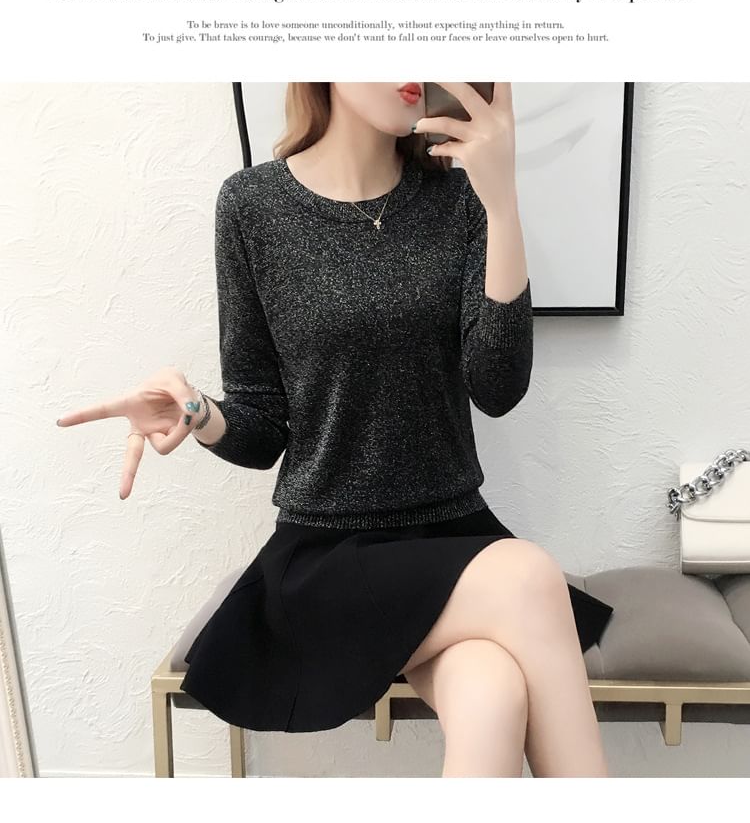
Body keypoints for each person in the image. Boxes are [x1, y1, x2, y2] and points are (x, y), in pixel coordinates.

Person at [56, 82, 614, 777]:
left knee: (493, 693)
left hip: (454, 536)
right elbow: (262, 427)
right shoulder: (252, 206)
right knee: (529, 574)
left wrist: (502, 205)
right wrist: (198, 412)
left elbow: (498, 390)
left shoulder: (458, 201)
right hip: (329, 555)